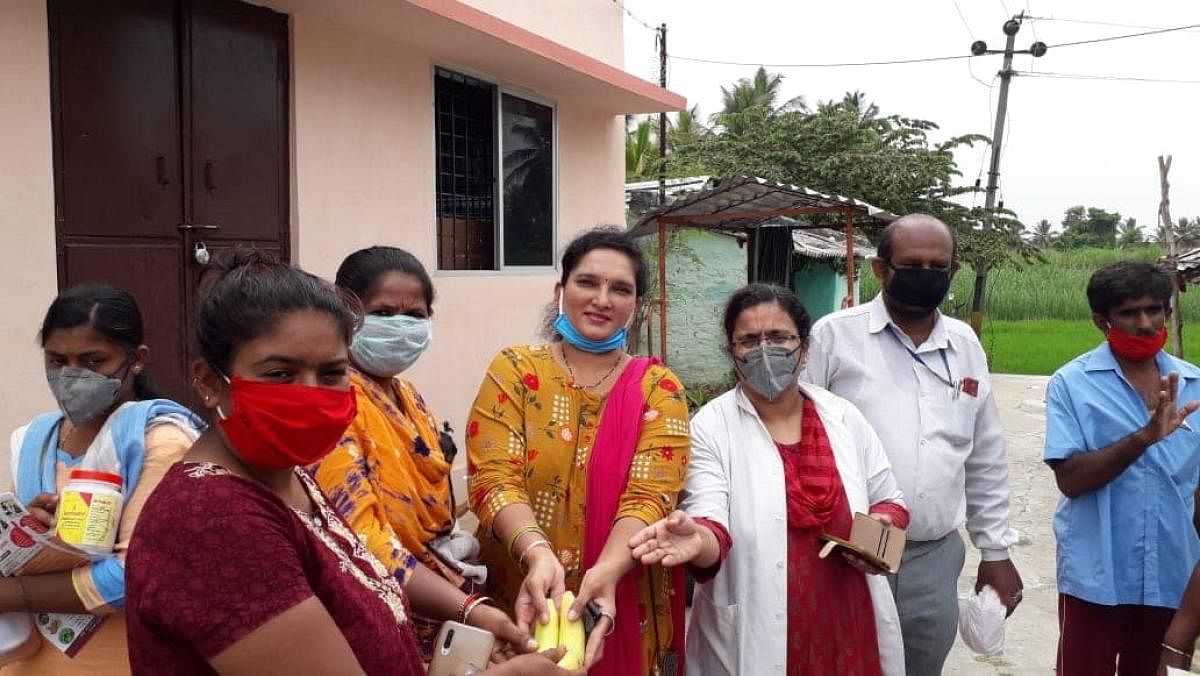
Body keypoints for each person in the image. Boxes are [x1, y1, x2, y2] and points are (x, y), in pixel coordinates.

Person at [124, 251, 569, 675]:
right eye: (280, 374)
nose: (310, 394)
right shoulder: (213, 521)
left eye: (331, 373)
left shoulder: (290, 476)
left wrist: (471, 617)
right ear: (209, 382)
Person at [628, 283, 909, 675]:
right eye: (749, 340)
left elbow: (890, 499)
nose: (764, 349)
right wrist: (698, 540)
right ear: (733, 353)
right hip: (756, 631)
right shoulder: (711, 427)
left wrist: (881, 529)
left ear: (805, 348)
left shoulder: (843, 416)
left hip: (849, 622)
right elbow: (711, 522)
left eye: (779, 337)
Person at [800, 213, 1022, 676]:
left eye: (937, 267)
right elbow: (797, 438)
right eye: (912, 265)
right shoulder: (834, 337)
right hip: (848, 551)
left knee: (922, 665)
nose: (926, 276)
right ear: (880, 269)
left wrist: (995, 552)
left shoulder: (965, 345)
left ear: (953, 272)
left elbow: (983, 457)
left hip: (933, 555)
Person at [466, 227, 691, 674]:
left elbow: (650, 495)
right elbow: (493, 478)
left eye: (620, 289)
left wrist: (607, 569)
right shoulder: (514, 370)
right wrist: (536, 552)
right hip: (522, 599)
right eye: (588, 282)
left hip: (622, 597)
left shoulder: (658, 388)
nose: (602, 299)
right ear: (560, 290)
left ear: (635, 305)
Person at [0, 285, 203, 675]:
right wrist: (28, 532)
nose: (73, 376)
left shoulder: (161, 444)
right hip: (32, 662)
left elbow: (135, 578)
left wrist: (12, 593)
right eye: (58, 361)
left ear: (137, 359)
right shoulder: (35, 442)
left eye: (94, 361)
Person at [309, 246, 468, 656]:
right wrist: (471, 607)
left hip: (438, 606)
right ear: (347, 315)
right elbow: (361, 541)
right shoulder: (336, 405)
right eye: (382, 313)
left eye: (415, 316)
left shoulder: (409, 397)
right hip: (375, 608)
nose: (401, 327)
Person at [1044, 261, 1200, 676]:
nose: (1146, 323)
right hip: (1097, 574)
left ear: (1168, 312)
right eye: (1130, 313)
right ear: (1103, 321)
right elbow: (1071, 480)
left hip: (1174, 573)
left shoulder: (1195, 386)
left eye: (1155, 310)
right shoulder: (1072, 383)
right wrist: (1143, 438)